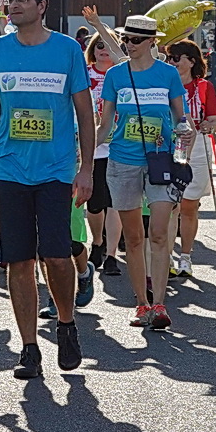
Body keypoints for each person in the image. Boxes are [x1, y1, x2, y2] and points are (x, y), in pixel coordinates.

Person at [0, 0, 95, 379]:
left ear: (42, 6)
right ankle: (28, 348)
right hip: (8, 169)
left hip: (56, 169)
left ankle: (65, 323)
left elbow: (83, 112)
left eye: (24, 0)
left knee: (57, 257)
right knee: (18, 261)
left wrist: (87, 167)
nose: (15, 5)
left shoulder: (67, 50)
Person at [94, 15, 185, 330]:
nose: (129, 45)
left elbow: (180, 118)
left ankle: (159, 304)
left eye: (135, 40)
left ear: (152, 42)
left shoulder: (168, 74)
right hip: (122, 160)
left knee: (159, 233)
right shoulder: (116, 75)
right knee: (133, 238)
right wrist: (82, 151)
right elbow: (105, 124)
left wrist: (186, 131)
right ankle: (141, 304)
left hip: (160, 160)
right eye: (126, 40)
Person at [165, 38, 216, 280]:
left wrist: (210, 124)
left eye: (176, 57)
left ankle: (185, 256)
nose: (171, 62)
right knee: (169, 206)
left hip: (197, 145)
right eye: (169, 57)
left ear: (191, 61)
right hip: (168, 144)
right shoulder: (164, 84)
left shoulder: (203, 87)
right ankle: (165, 256)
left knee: (189, 206)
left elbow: (215, 119)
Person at [81, 24, 121, 281]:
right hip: (92, 147)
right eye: (99, 45)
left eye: (108, 45)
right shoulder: (84, 74)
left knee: (115, 203)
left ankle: (112, 254)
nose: (104, 50)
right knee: (95, 205)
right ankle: (97, 242)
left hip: (120, 147)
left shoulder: (123, 75)